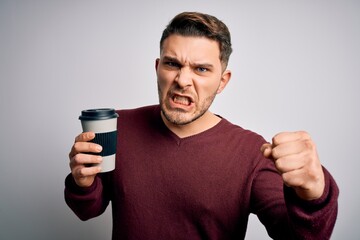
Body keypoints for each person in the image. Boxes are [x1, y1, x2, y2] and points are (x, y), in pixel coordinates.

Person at [65, 12, 339, 239]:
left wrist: (313, 192)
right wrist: (82, 182)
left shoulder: (252, 153)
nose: (183, 80)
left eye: (201, 69)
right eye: (173, 64)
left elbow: (299, 236)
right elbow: (88, 209)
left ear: (223, 81)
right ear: (158, 67)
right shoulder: (119, 127)